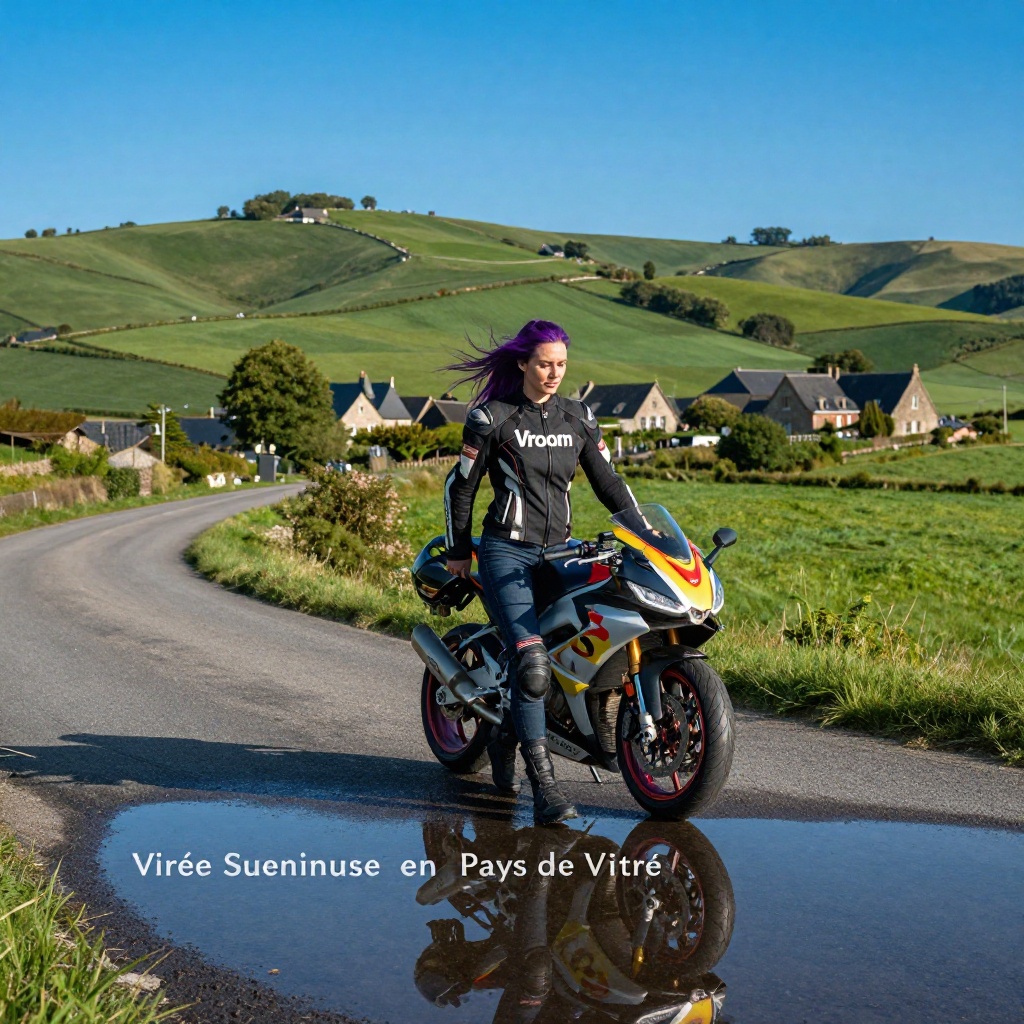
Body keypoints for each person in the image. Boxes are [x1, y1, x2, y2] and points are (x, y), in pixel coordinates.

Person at [443, 320, 638, 824]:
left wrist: (650, 537)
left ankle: (511, 729)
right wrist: (458, 550)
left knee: (583, 641)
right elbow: (460, 488)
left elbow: (610, 485)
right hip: (506, 553)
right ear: (523, 364)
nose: (554, 373)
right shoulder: (492, 418)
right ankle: (546, 789)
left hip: (562, 553)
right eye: (545, 364)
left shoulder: (579, 417)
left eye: (562, 365)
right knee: (532, 664)